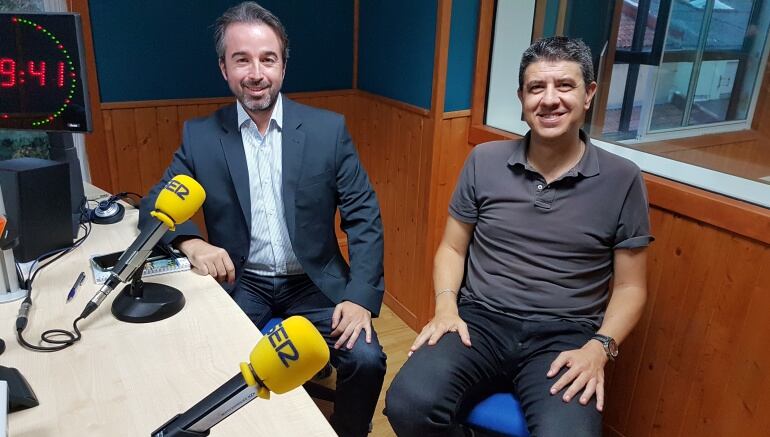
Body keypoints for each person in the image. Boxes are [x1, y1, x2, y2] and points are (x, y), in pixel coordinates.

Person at [138, 3, 386, 436]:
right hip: (241, 280)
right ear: (224, 68)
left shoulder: (328, 131)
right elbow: (155, 204)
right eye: (242, 59)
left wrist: (361, 297)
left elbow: (363, 216)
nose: (256, 73)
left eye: (268, 59)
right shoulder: (201, 136)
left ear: (283, 65)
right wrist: (191, 243)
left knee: (366, 359)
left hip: (316, 283)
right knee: (207, 359)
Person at [385, 36, 653, 436]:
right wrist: (446, 308)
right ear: (522, 99)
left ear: (589, 94)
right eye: (536, 88)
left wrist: (600, 347)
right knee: (407, 404)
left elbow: (631, 287)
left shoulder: (622, 178)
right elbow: (452, 249)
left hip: (565, 336)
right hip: (478, 322)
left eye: (564, 85)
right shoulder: (484, 161)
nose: (549, 99)